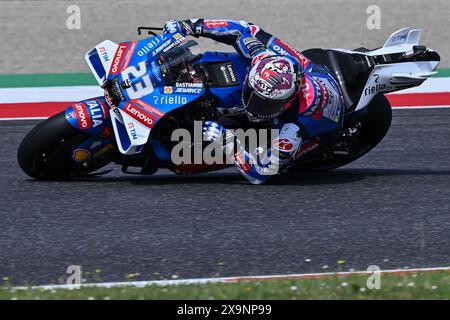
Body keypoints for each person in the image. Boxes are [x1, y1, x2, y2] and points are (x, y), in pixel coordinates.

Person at [163, 19, 344, 184]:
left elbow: (261, 173)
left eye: (265, 104)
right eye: (253, 95)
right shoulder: (262, 57)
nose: (254, 106)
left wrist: (229, 143)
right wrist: (188, 26)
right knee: (252, 34)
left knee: (231, 135)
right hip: (311, 70)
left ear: (286, 103)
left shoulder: (291, 131)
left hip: (321, 125)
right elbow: (239, 30)